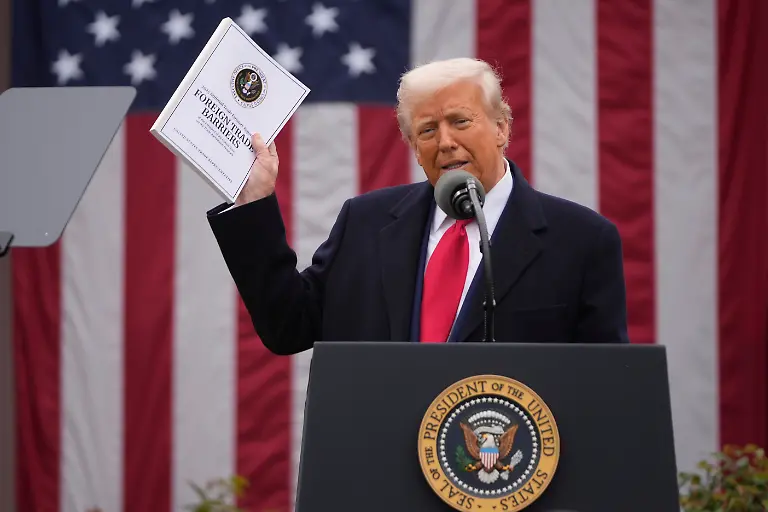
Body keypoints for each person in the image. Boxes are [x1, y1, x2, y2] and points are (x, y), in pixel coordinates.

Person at [207, 57, 629, 355]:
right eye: (427, 130)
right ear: (413, 147)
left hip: (504, 467)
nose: (445, 142)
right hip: (380, 467)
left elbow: (605, 386)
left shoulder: (581, 241)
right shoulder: (365, 223)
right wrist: (255, 201)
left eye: (460, 122)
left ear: (501, 127)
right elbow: (288, 327)